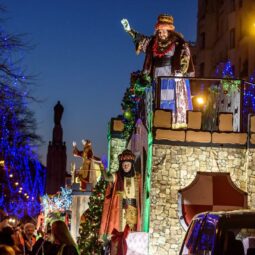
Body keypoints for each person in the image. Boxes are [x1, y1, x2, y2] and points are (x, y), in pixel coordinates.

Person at [121, 14, 194, 128]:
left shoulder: (178, 42)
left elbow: (185, 56)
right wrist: (129, 30)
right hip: (157, 75)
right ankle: (159, 120)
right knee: (159, 98)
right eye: (159, 31)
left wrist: (180, 71)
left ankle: (174, 121)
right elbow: (141, 39)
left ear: (169, 31)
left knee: (172, 98)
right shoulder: (153, 42)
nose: (161, 34)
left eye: (164, 31)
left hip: (172, 74)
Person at [99, 150, 142, 249]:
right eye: (124, 165)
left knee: (131, 239)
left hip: (134, 213)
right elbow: (107, 178)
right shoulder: (117, 176)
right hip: (120, 212)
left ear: (131, 165)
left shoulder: (138, 177)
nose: (126, 166)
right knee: (118, 238)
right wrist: (103, 167)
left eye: (127, 164)